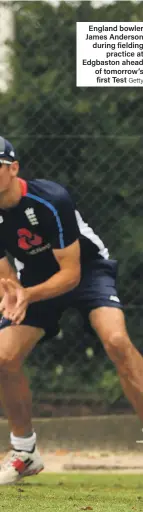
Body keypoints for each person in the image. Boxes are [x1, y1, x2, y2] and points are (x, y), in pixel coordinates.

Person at [0, 135, 142, 485]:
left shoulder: (50, 200)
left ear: (13, 168)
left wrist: (27, 294)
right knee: (4, 357)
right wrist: (11, 292)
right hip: (33, 279)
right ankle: (25, 452)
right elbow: (4, 270)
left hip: (86, 271)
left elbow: (71, 274)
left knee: (116, 341)